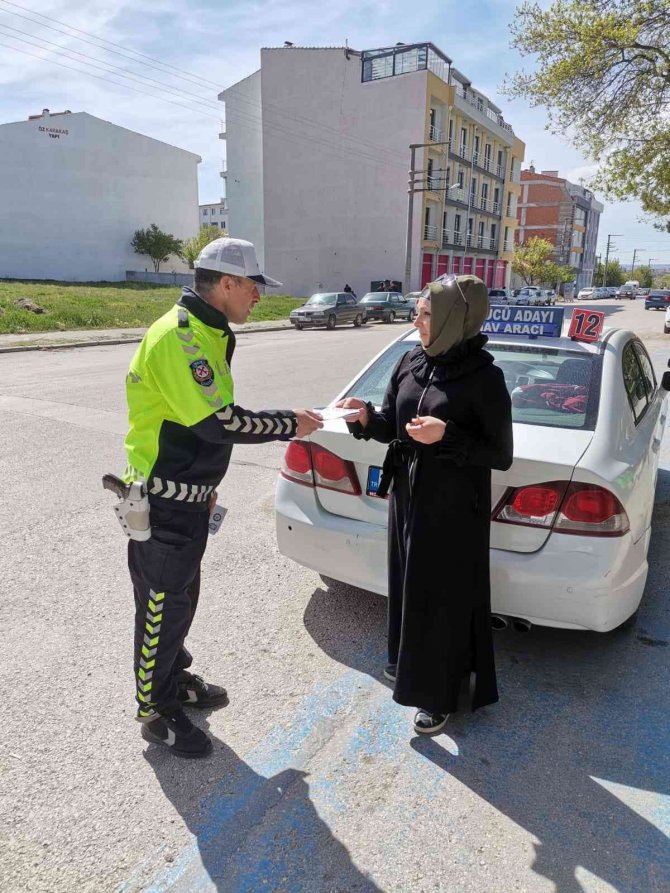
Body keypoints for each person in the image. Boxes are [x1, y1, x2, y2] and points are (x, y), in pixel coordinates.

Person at [122, 237, 323, 757]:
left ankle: (173, 677)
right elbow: (218, 422)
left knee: (181, 600)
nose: (259, 296)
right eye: (254, 286)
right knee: (161, 606)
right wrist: (289, 423)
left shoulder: (209, 330)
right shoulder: (182, 337)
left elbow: (194, 423)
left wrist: (205, 488)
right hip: (163, 500)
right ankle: (154, 710)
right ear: (228, 282)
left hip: (186, 496)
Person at [337, 274, 512, 735]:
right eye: (418, 312)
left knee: (443, 598)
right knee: (409, 586)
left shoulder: (485, 378)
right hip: (409, 493)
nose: (416, 321)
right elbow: (392, 426)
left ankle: (439, 695)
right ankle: (410, 667)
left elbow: (500, 454)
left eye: (427, 313)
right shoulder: (411, 360)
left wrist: (447, 435)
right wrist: (364, 417)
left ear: (456, 318)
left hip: (454, 506)